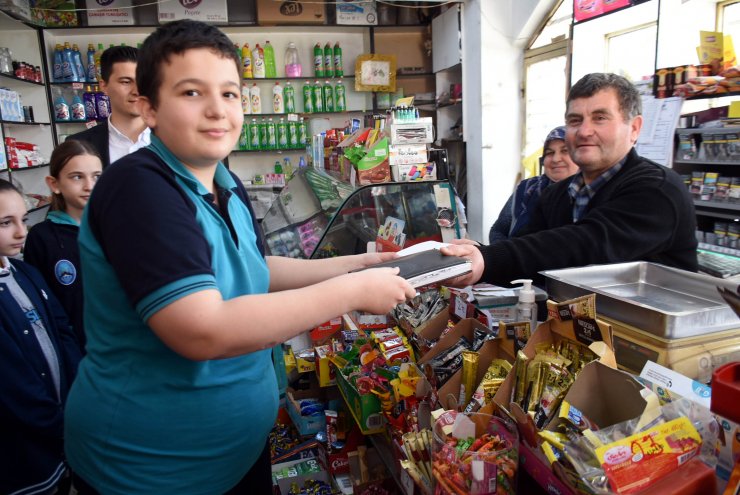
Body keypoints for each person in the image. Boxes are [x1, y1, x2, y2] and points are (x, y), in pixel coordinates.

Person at [64, 19, 416, 495]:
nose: (217, 110)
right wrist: (351, 291)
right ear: (148, 108)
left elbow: (253, 270)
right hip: (152, 470)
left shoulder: (222, 182)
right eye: (192, 93)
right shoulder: (138, 190)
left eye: (230, 94)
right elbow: (201, 329)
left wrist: (358, 264)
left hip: (234, 455)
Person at [443, 72, 698, 287]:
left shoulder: (657, 190)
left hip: (648, 339)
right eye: (575, 120)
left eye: (600, 118)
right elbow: (534, 257)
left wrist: (489, 258)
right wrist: (476, 254)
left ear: (634, 128)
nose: (585, 131)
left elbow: (585, 244)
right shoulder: (556, 194)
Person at [0, 179, 82, 495]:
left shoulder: (26, 274)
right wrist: (60, 426)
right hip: (23, 452)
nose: (22, 232)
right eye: (6, 223)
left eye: (24, 219)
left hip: (59, 434)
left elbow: (63, 332)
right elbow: (12, 385)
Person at [24, 140, 103, 351]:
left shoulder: (116, 229)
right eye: (77, 177)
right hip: (75, 348)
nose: (89, 186)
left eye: (97, 176)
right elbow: (44, 306)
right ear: (54, 184)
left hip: (122, 346)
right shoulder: (42, 238)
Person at [489, 126, 579, 243]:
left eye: (565, 151)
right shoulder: (527, 189)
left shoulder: (588, 193)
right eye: (549, 152)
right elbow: (498, 230)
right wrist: (506, 257)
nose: (556, 159)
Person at [66, 46, 150, 168]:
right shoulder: (77, 145)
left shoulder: (173, 141)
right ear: (104, 86)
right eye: (126, 82)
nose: (137, 91)